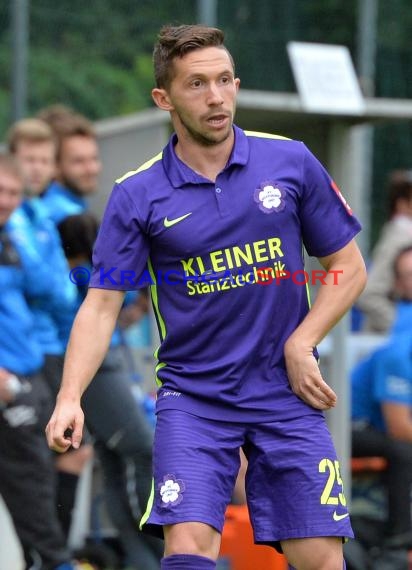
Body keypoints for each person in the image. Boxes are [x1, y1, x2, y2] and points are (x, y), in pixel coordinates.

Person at [46, 24, 367, 570]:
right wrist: (70, 397)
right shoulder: (137, 195)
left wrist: (303, 342)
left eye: (224, 81)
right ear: (163, 98)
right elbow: (101, 305)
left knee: (318, 555)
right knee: (190, 548)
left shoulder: (290, 161)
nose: (216, 98)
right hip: (194, 399)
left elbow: (349, 268)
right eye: (196, 84)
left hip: (287, 393)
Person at [7, 117, 94, 537]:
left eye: (44, 161)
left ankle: (54, 551)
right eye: (29, 160)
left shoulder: (39, 212)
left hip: (57, 343)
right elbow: (46, 285)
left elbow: (62, 288)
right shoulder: (17, 217)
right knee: (52, 454)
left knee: (69, 451)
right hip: (36, 350)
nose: (36, 169)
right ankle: (51, 554)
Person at [0, 153, 82, 570]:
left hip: (25, 375)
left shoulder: (15, 235)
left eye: (13, 193)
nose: (6, 200)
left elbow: (47, 291)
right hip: (9, 382)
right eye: (0, 190)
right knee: (34, 492)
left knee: (37, 485)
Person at [352, 245, 412, 557]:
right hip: (347, 427)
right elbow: (400, 428)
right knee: (402, 450)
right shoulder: (400, 350)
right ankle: (399, 539)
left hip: (380, 427)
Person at [357, 170, 412, 333]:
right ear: (401, 204)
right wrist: (404, 328)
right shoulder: (402, 231)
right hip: (388, 347)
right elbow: (369, 295)